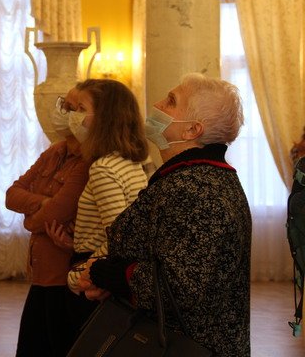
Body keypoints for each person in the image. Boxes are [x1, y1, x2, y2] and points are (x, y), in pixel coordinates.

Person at [81, 73, 251, 357]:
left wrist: (106, 274)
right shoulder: (192, 178)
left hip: (185, 344)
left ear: (192, 130)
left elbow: (182, 285)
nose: (158, 104)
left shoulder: (197, 187)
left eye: (171, 101)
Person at [44, 78, 149, 350]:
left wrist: (80, 273)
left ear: (105, 118)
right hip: (107, 266)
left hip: (96, 269)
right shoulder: (128, 162)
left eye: (81, 109)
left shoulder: (103, 168)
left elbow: (118, 236)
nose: (74, 117)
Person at [5, 87, 90, 357]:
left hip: (66, 279)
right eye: (64, 105)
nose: (64, 113)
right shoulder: (54, 152)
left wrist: (35, 215)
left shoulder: (89, 162)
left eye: (74, 108)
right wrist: (43, 203)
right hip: (40, 275)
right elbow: (12, 194)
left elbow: (56, 213)